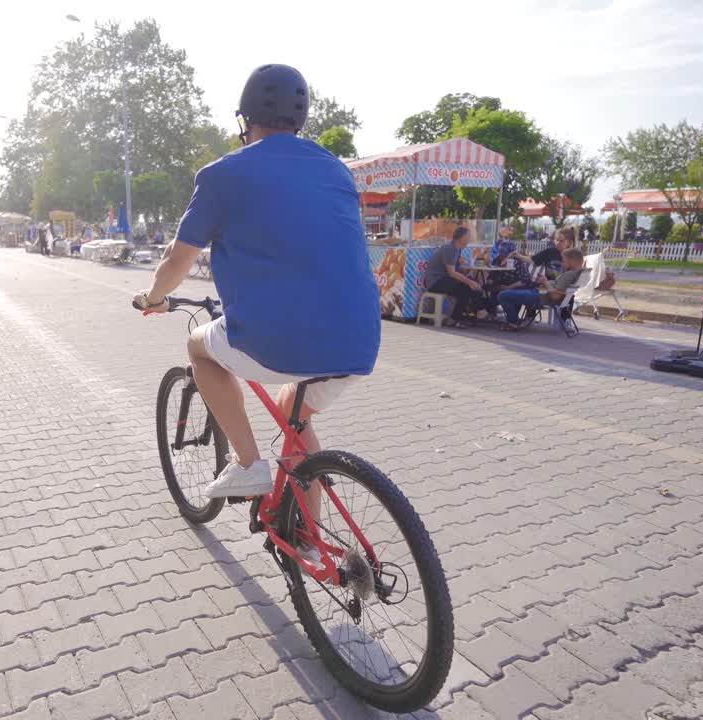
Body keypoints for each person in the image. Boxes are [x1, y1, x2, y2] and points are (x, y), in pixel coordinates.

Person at [133, 63, 379, 517]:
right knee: (294, 414)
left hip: (274, 337)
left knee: (198, 347)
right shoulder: (337, 171)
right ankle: (310, 540)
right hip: (360, 339)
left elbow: (176, 261)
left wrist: (152, 299)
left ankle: (248, 464)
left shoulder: (224, 174)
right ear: (300, 120)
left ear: (244, 120)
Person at [497, 247, 586, 330]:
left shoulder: (568, 275)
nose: (562, 263)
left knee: (503, 295)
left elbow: (555, 296)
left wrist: (545, 282)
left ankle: (513, 322)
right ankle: (517, 319)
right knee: (516, 289)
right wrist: (547, 282)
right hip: (541, 293)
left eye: (564, 261)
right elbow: (559, 292)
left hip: (541, 297)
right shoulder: (578, 273)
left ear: (571, 261)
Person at [424, 226, 485, 327]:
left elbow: (454, 270)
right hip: (436, 282)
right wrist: (469, 282)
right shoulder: (450, 249)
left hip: (444, 280)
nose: (470, 239)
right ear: (462, 238)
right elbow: (451, 273)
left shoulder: (457, 249)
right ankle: (478, 311)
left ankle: (472, 313)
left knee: (470, 286)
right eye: (469, 236)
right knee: (467, 287)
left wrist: (467, 275)